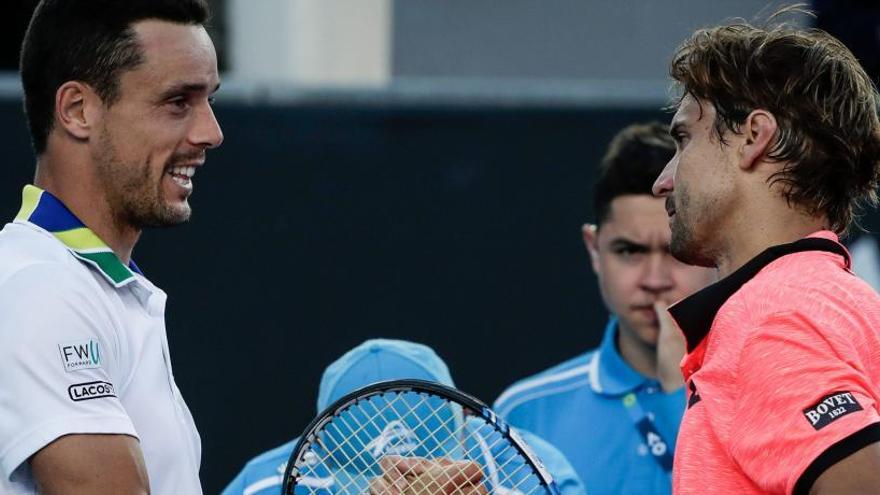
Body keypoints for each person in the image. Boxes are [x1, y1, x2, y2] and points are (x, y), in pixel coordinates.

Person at [652, 10, 880, 495]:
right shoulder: (837, 301)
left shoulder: (769, 317)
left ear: (754, 136)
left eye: (684, 138)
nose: (663, 181)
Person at [0, 0, 222, 493]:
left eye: (209, 99)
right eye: (177, 102)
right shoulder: (42, 290)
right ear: (78, 111)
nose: (211, 132)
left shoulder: (91, 287)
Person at [493, 123, 716, 495]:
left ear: (713, 249)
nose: (655, 279)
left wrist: (679, 391)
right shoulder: (522, 415)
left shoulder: (764, 396)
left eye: (677, 251)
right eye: (630, 251)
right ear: (594, 248)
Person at [223, 339, 586, 495]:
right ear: (316, 444)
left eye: (421, 471)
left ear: (465, 422)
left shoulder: (529, 471)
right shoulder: (259, 488)